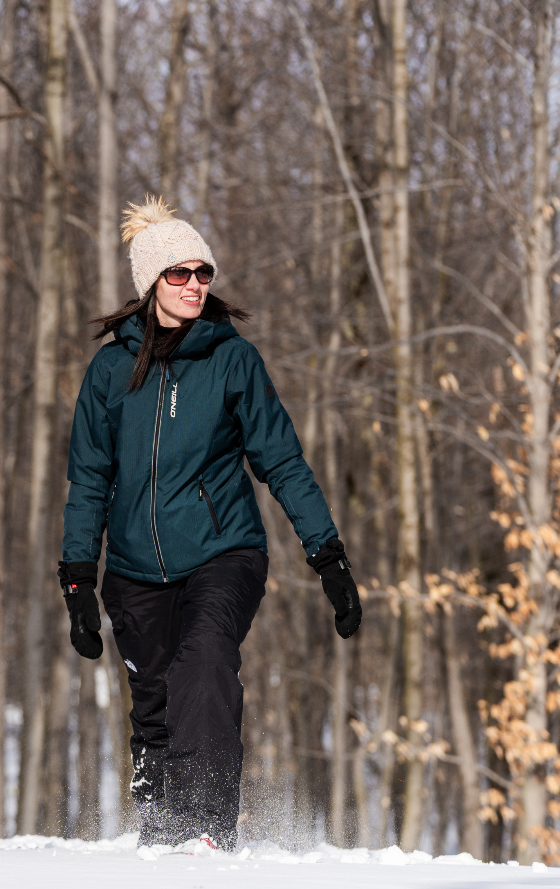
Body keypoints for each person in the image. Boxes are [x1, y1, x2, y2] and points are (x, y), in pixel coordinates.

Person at [58, 198, 361, 852]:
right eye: (180, 273)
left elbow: (282, 462)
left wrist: (328, 556)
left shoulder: (233, 360)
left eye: (203, 272)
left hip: (224, 552)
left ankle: (204, 828)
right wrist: (78, 576)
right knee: (155, 702)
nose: (194, 284)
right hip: (133, 569)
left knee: (205, 665)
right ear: (151, 283)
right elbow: (89, 479)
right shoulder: (109, 370)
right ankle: (161, 829)